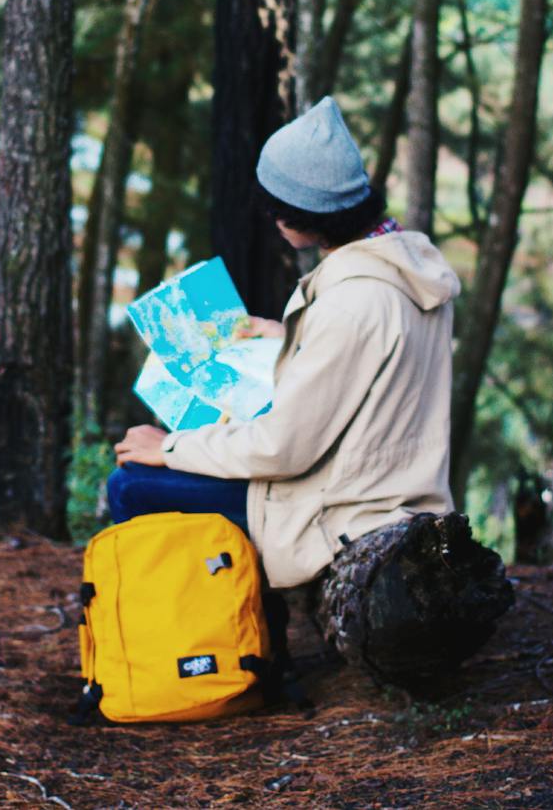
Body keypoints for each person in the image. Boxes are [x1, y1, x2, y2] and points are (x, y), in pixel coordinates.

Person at [106, 95, 461, 593]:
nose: (273, 221)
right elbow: (377, 364)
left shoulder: (351, 303)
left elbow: (281, 449)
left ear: (304, 214)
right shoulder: (408, 271)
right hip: (386, 489)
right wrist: (290, 339)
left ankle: (223, 636)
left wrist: (168, 447)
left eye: (277, 210)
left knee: (131, 484)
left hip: (339, 508)